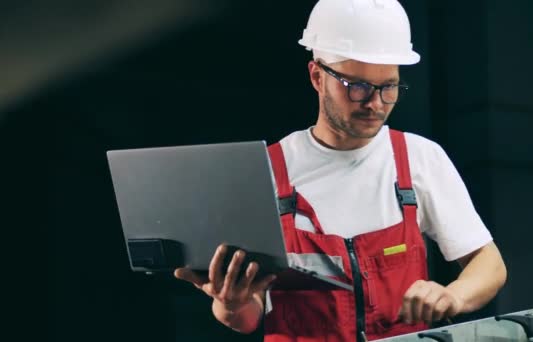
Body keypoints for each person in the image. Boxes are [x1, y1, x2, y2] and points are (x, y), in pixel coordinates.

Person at [175, 0, 507, 341]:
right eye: (358, 86)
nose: (375, 104)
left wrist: (454, 295)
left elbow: (489, 263)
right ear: (317, 76)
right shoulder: (266, 172)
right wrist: (230, 303)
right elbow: (246, 317)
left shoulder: (419, 159)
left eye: (389, 87)